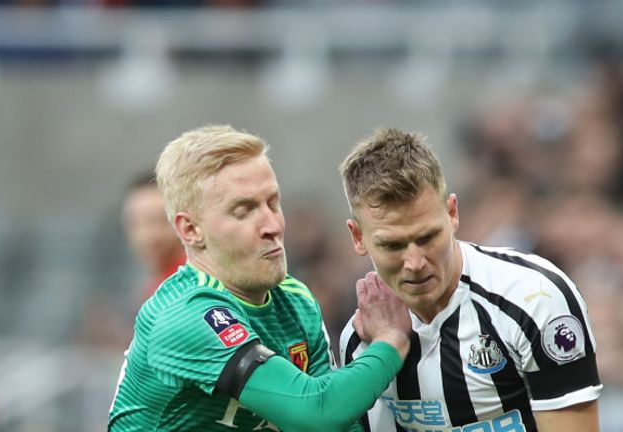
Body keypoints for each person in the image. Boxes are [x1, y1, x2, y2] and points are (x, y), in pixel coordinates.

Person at [108, 125, 412, 432]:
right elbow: (316, 412)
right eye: (244, 210)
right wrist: (391, 340)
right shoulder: (183, 313)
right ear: (190, 230)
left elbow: (337, 425)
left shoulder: (296, 301)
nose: (272, 225)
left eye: (273, 203)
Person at [338, 128, 602, 432]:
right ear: (358, 238)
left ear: (452, 213)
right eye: (392, 245)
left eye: (427, 237)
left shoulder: (534, 300)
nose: (415, 263)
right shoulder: (361, 342)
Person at [121, 172, 186, 302]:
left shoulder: (186, 288)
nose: (146, 235)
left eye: (160, 221)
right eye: (135, 223)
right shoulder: (158, 288)